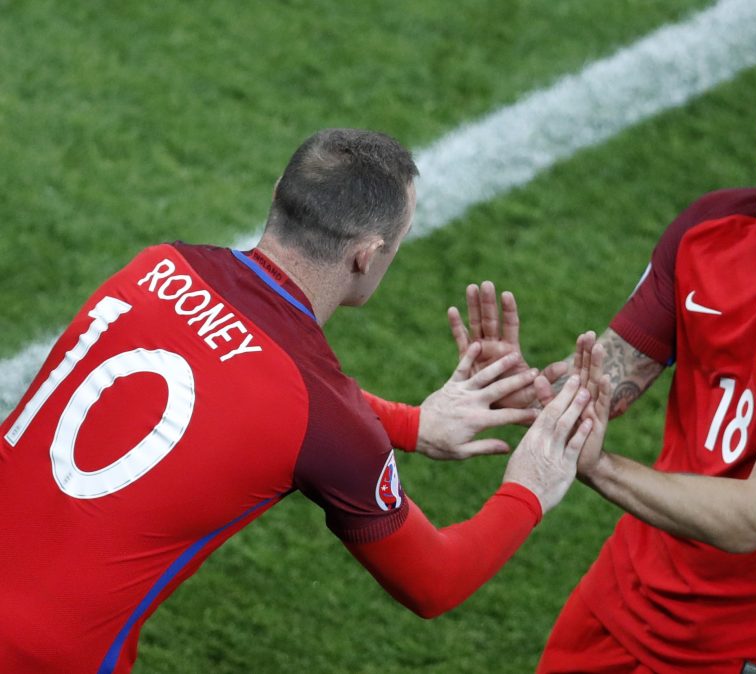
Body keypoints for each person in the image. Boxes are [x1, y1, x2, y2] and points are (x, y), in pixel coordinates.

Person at [0, 129, 604, 673]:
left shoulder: (157, 267)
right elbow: (434, 581)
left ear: (279, 195)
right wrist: (531, 484)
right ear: (367, 254)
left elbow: (241, 375)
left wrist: (413, 425)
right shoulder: (323, 418)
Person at [448, 41, 756, 673]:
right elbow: (613, 371)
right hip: (622, 596)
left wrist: (593, 465)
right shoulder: (711, 228)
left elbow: (749, 520)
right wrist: (535, 392)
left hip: (747, 647)